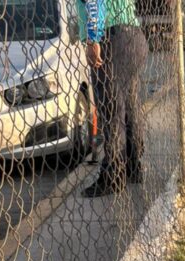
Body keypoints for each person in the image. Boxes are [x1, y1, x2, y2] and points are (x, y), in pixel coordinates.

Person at [78, 0, 148, 197]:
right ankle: (134, 166)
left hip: (111, 39)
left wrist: (93, 39)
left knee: (111, 110)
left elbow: (94, 2)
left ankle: (113, 176)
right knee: (129, 104)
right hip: (134, 36)